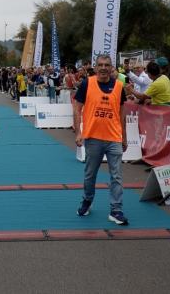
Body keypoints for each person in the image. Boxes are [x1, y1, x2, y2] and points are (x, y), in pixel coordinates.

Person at [73, 54, 129, 226]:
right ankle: (87, 201)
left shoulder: (120, 87)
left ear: (112, 67)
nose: (104, 68)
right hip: (93, 138)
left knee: (117, 176)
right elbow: (77, 108)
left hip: (113, 138)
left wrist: (124, 137)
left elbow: (122, 113)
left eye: (107, 65)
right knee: (90, 175)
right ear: (95, 67)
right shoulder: (87, 83)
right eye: (100, 65)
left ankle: (116, 210)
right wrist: (78, 132)